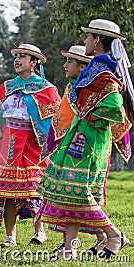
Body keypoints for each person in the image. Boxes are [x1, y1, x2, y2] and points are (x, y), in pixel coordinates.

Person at [37, 19, 132, 259]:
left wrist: (90, 117)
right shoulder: (98, 68)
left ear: (97, 40)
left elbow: (114, 107)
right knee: (71, 191)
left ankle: (113, 235)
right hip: (82, 136)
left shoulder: (104, 72)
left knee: (77, 191)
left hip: (90, 140)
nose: (86, 42)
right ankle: (68, 250)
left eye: (88, 37)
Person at [0, 44, 61, 247]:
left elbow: (56, 120)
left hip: (32, 145)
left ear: (34, 63)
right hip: (6, 145)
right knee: (8, 194)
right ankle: (10, 238)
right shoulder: (8, 87)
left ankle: (39, 231)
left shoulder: (46, 89)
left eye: (23, 57)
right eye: (16, 56)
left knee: (33, 190)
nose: (17, 60)